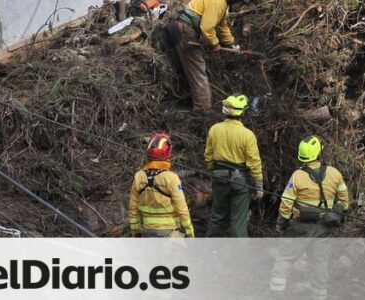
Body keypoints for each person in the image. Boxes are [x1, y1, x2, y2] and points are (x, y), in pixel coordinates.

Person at [270, 136, 350, 300]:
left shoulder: (297, 176)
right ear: (319, 152)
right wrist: (339, 213)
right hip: (323, 229)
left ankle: (276, 294)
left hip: (300, 226)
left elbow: (286, 203)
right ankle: (319, 296)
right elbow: (344, 201)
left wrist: (282, 223)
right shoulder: (335, 174)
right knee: (320, 265)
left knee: (285, 258)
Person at [166, 0, 252, 112]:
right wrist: (215, 44)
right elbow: (207, 27)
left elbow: (222, 26)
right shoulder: (218, 2)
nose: (238, 3)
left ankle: (195, 102)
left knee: (191, 67)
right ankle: (203, 109)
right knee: (198, 69)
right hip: (185, 30)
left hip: (182, 27)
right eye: (238, 0)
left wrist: (232, 44)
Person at [204, 94, 263, 237]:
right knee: (238, 222)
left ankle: (210, 250)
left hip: (219, 178)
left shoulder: (214, 129)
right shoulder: (248, 135)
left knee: (217, 217)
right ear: (243, 112)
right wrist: (259, 186)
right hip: (240, 182)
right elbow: (254, 163)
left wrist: (213, 172)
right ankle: (239, 255)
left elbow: (208, 156)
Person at [128, 132, 194, 238]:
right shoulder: (171, 178)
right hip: (168, 233)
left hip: (146, 231)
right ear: (167, 153)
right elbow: (182, 209)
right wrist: (189, 232)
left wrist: (135, 231)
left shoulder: (139, 176)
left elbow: (133, 208)